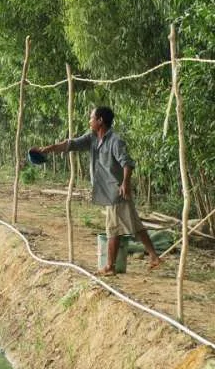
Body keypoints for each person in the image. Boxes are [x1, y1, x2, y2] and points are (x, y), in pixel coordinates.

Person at [30, 106, 161, 276]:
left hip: (116, 191)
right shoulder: (92, 138)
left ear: (100, 121)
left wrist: (125, 183)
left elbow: (127, 163)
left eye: (91, 118)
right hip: (107, 190)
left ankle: (110, 266)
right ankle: (154, 257)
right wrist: (46, 149)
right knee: (135, 225)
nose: (89, 120)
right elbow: (70, 144)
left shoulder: (115, 141)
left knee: (114, 229)